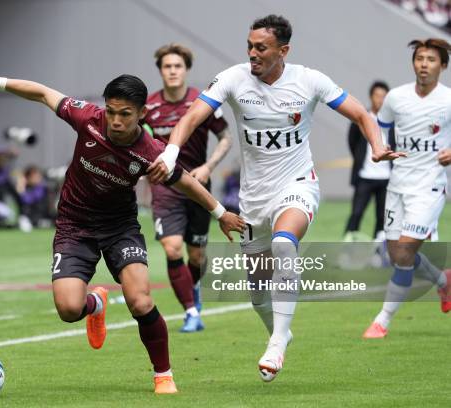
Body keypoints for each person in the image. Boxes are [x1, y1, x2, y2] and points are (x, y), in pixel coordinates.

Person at [0, 67, 246, 394]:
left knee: (139, 301)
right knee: (68, 310)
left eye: (125, 114)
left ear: (141, 114)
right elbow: (42, 92)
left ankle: (163, 374)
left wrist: (220, 213)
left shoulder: (151, 152)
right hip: (74, 225)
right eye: (111, 111)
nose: (116, 120)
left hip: (119, 227)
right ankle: (95, 304)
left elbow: (185, 182)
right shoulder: (87, 119)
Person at [148, 15, 403, 382]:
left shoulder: (309, 81)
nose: (252, 53)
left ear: (283, 51)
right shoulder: (234, 78)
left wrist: (377, 146)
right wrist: (172, 152)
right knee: (257, 292)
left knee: (285, 245)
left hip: (297, 185)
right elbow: (192, 117)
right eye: (249, 46)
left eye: (261, 48)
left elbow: (361, 114)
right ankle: (279, 331)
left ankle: (278, 341)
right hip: (253, 198)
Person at [363, 38, 451, 339]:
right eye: (419, 58)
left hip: (430, 186)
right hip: (398, 185)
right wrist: (379, 147)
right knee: (397, 254)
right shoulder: (396, 98)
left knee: (403, 253)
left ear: (442, 65)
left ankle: (382, 321)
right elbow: (378, 126)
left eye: (431, 59)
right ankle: (443, 280)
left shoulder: (448, 100)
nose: (424, 64)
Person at [143, 43, 233, 332]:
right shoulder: (150, 107)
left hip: (196, 186)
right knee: (172, 249)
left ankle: (193, 289)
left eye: (177, 66)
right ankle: (191, 312)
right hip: (165, 188)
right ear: (160, 71)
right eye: (167, 66)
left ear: (186, 70)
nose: (172, 71)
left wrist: (208, 167)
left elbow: (226, 138)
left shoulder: (201, 102)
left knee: (196, 256)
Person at [345, 81, 395, 242]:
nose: (380, 100)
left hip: (386, 178)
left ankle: (377, 251)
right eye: (377, 96)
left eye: (383, 96)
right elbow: (352, 142)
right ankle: (348, 246)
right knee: (356, 213)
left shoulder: (394, 121)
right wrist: (360, 159)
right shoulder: (362, 118)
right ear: (371, 97)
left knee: (382, 216)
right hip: (364, 177)